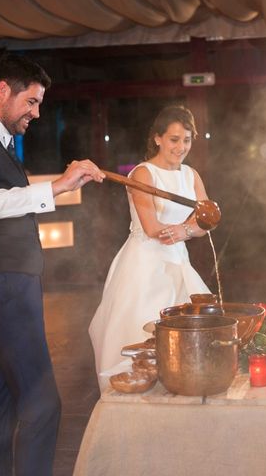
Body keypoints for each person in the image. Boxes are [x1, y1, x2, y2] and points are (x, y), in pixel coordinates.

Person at [0, 53, 104, 476]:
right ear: (2, 91)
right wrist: (57, 186)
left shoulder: (0, 144)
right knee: (42, 400)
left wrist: (59, 188)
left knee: (0, 396)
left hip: (8, 283)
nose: (37, 112)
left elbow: (5, 204)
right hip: (0, 285)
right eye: (31, 101)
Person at [89, 105, 212, 387]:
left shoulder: (191, 175)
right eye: (174, 139)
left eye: (187, 140)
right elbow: (152, 228)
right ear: (157, 138)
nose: (181, 147)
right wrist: (187, 229)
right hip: (145, 264)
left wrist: (189, 229)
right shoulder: (143, 174)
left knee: (186, 338)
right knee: (141, 334)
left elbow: (205, 222)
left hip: (179, 261)